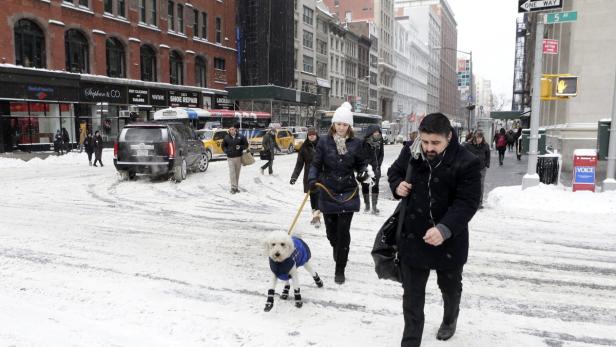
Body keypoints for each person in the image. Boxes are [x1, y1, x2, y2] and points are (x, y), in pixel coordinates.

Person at [387, 112, 481, 347]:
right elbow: (394, 172)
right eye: (425, 141)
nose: (429, 148)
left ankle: (450, 318)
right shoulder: (411, 150)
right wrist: (397, 185)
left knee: (449, 287)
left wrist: (445, 228)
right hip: (414, 235)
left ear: (449, 137)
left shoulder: (466, 161)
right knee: (412, 296)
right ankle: (410, 341)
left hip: (449, 239)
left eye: (435, 143)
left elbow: (467, 202)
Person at [307, 102, 369, 284]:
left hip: (348, 192)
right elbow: (316, 164)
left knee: (343, 232)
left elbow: (361, 164)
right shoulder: (324, 142)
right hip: (328, 190)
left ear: (349, 126)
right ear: (333, 124)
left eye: (345, 124)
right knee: (331, 233)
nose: (341, 128)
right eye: (339, 124)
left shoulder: (357, 144)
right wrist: (312, 178)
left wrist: (364, 172)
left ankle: (340, 268)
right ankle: (338, 248)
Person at [290, 128, 321, 226]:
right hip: (309, 176)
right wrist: (294, 177)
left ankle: (318, 217)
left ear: (316, 135)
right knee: (313, 197)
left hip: (322, 175)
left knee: (320, 196)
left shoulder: (322, 145)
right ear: (308, 136)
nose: (311, 136)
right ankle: (316, 217)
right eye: (310, 135)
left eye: (313, 134)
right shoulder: (304, 147)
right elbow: (299, 164)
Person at [463, 130, 490, 209]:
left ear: (482, 138)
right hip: (471, 169)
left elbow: (488, 155)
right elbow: (463, 154)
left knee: (480, 185)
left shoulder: (485, 145)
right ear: (474, 137)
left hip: (481, 168)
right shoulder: (468, 145)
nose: (479, 139)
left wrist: (486, 164)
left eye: (480, 138)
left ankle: (479, 203)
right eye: (477, 137)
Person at [361, 125, 384, 214]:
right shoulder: (364, 142)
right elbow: (362, 155)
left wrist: (378, 164)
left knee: (375, 185)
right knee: (365, 185)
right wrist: (367, 165)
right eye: (375, 132)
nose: (377, 133)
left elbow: (382, 154)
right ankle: (367, 205)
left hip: (376, 167)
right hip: (366, 167)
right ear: (371, 132)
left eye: (378, 132)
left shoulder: (380, 141)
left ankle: (374, 206)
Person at [222, 123, 248, 194]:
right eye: (230, 129)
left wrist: (240, 147)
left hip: (238, 157)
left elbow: (246, 145)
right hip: (230, 158)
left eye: (232, 129)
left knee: (237, 173)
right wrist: (226, 151)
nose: (231, 131)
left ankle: (236, 187)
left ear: (235, 129)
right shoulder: (226, 137)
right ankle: (233, 187)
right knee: (232, 172)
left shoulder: (241, 136)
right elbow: (223, 146)